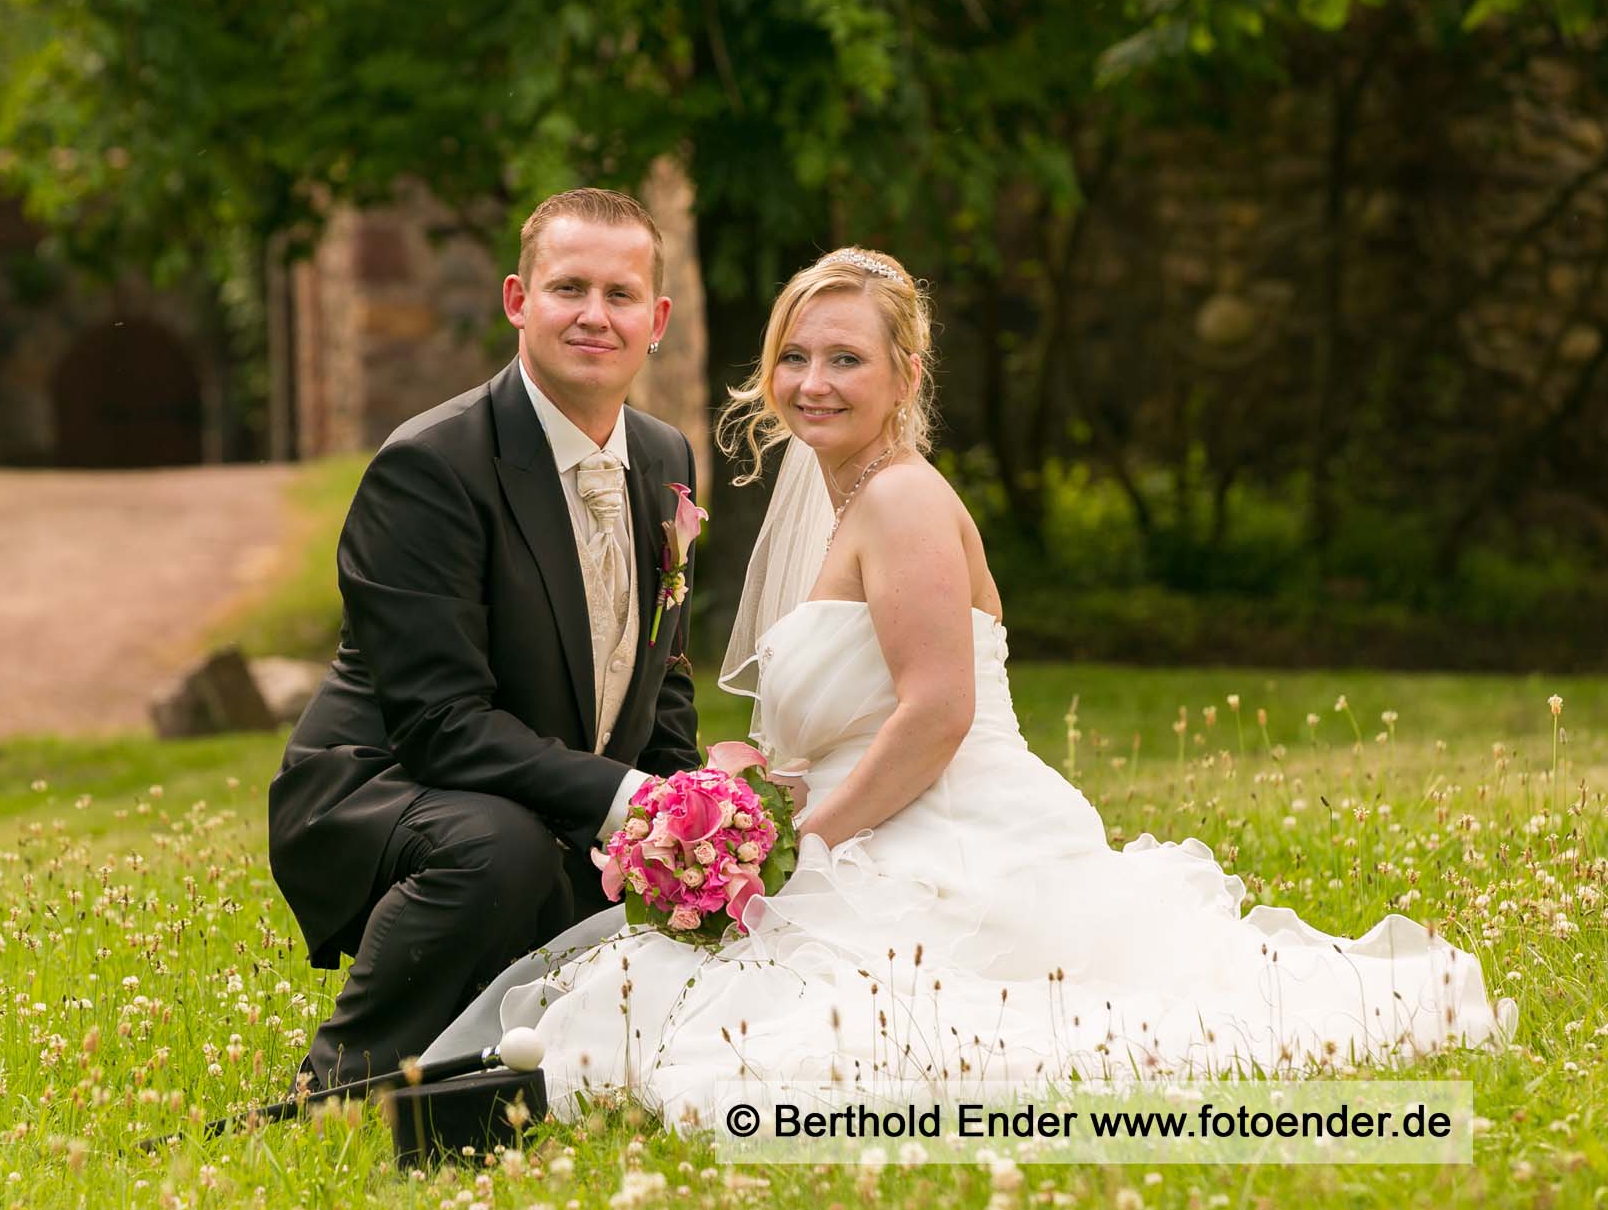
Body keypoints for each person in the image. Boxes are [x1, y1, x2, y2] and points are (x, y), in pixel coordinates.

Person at [428, 246, 1516, 1126]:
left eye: (846, 359)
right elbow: (827, 716)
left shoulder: (901, 502)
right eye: (794, 355)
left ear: (904, 376)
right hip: (867, 812)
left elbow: (937, 711)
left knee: (824, 1043)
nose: (812, 382)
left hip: (943, 824)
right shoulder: (833, 504)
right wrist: (741, 784)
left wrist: (795, 848)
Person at [268, 188, 703, 1091]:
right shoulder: (431, 466)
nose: (594, 315)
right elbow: (439, 723)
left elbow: (659, 679)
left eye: (621, 295)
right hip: (383, 782)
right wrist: (625, 801)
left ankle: (494, 1073)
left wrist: (685, 815)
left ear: (656, 318)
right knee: (499, 846)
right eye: (567, 288)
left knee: (677, 881)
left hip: (541, 786)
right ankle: (342, 1081)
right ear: (517, 299)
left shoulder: (666, 459)